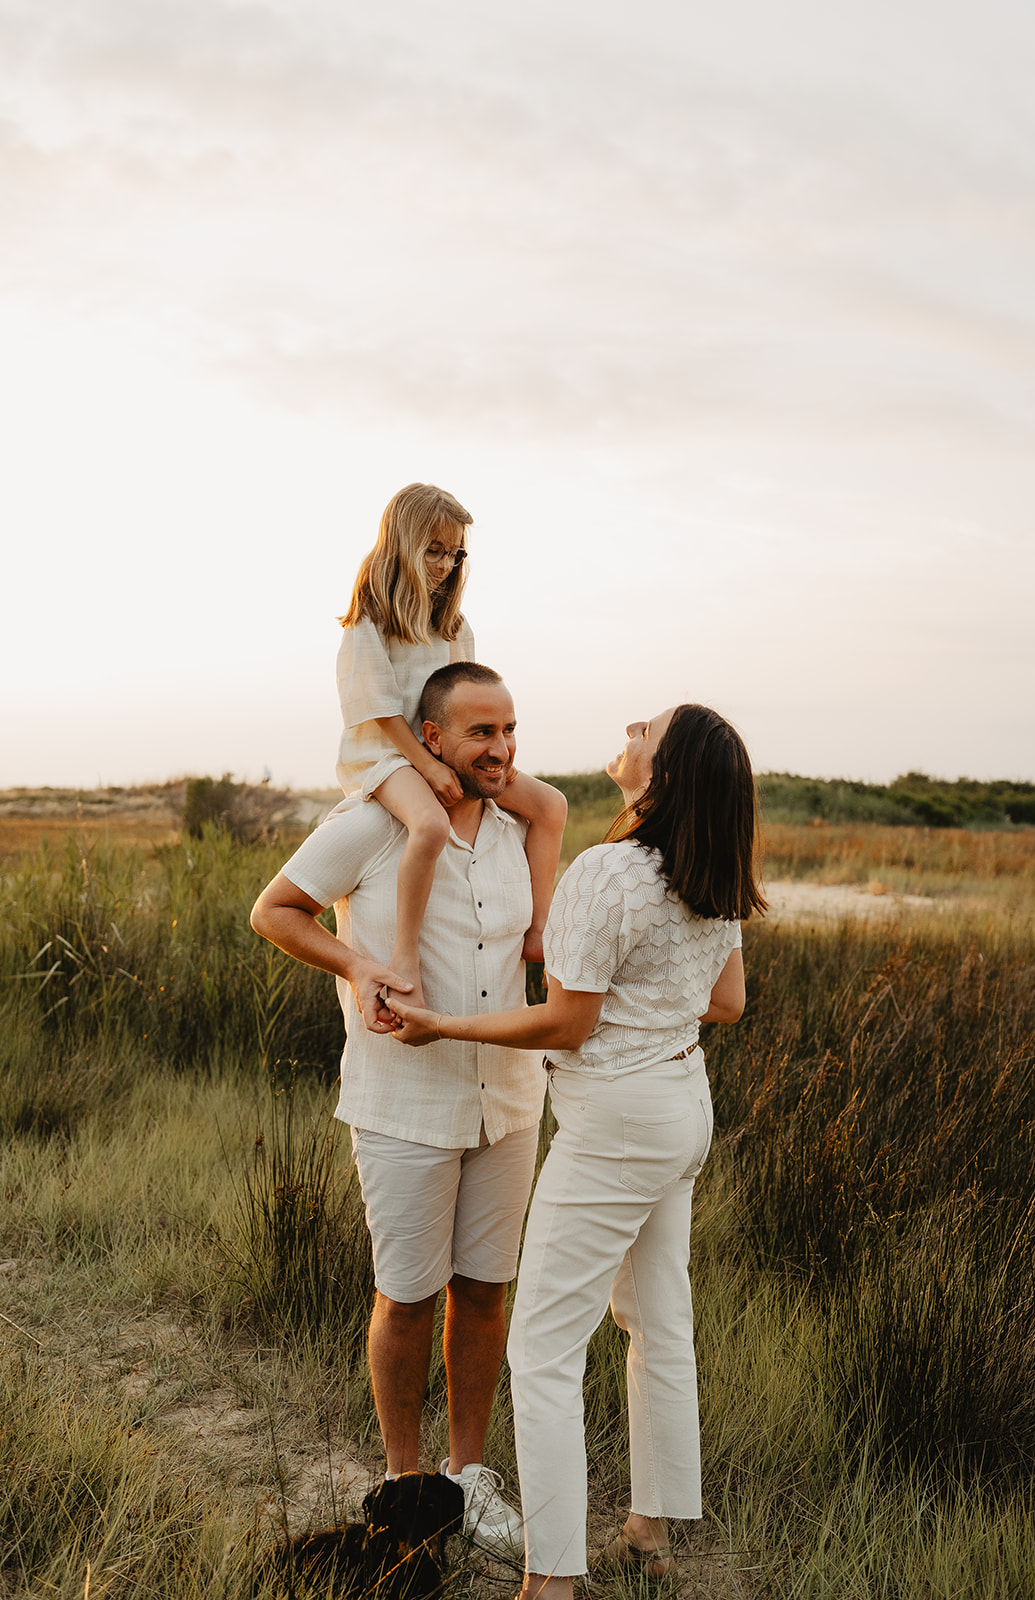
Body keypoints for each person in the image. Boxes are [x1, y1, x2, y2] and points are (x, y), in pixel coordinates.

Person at [389, 703, 767, 1598]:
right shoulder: (711, 869)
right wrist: (650, 1007)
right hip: (682, 1108)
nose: (631, 724)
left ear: (661, 773)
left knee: (544, 1348)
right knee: (657, 1319)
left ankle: (550, 1579)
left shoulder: (611, 872)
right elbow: (726, 1003)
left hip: (618, 1127)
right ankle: (652, 1530)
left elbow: (567, 1019)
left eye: (649, 728)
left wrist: (445, 1022)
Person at [250, 662, 551, 1559]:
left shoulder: (518, 827)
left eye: (507, 731)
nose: (498, 750)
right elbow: (275, 910)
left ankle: (467, 1480)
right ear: (430, 738)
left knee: (485, 1294)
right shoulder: (374, 823)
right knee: (409, 1297)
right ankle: (403, 1483)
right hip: (402, 1102)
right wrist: (357, 967)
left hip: (510, 1097)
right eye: (478, 733)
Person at [336, 481, 567, 1006]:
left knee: (550, 805)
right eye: (433, 551)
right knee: (431, 825)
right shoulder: (370, 617)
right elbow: (378, 709)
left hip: (447, 751)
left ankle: (538, 928)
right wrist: (427, 766)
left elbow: (468, 700)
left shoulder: (452, 624)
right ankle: (405, 954)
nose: (444, 564)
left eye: (454, 553)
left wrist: (493, 752)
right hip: (387, 755)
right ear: (402, 544)